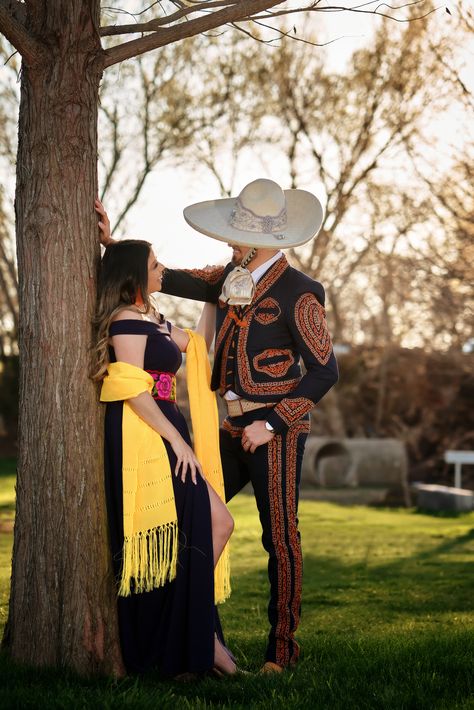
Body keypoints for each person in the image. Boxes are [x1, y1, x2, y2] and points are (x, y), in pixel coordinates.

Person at [96, 178, 339, 673]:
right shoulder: (230, 276)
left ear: (261, 242)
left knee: (281, 537)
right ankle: (180, 631)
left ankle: (281, 652)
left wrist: (269, 424)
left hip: (275, 432)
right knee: (191, 520)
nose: (229, 243)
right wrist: (112, 245)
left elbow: (325, 370)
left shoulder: (302, 294)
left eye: (236, 237)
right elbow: (166, 278)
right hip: (226, 431)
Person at [91, 237, 236, 678]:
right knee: (214, 523)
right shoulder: (124, 322)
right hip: (148, 433)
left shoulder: (151, 317)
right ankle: (194, 636)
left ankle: (189, 631)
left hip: (170, 426)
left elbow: (197, 344)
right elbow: (134, 389)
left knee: (210, 526)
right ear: (135, 275)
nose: (162, 269)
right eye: (155, 264)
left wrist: (215, 293)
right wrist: (177, 441)